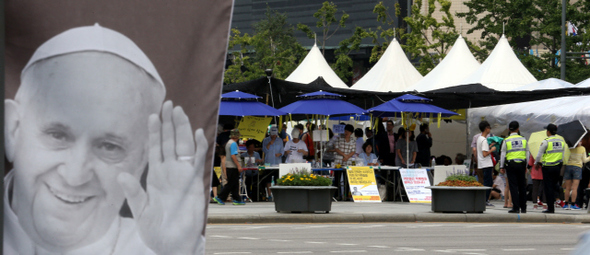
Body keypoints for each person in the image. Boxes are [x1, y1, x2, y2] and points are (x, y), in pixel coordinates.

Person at [4, 25, 208, 254]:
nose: (75, 176)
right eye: (57, 135)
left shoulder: (159, 249)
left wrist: (178, 251)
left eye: (109, 147)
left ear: (142, 160)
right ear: (13, 130)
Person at [535, 123, 565, 213]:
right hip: (557, 167)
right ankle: (556, 198)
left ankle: (550, 208)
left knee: (548, 188)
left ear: (548, 132)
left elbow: (539, 154)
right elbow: (562, 155)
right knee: (553, 185)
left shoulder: (546, 141)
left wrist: (536, 162)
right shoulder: (561, 141)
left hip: (547, 167)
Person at [500, 121, 528, 213]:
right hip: (521, 164)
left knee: (513, 186)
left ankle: (516, 207)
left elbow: (503, 154)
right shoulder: (523, 139)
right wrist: (526, 165)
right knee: (522, 186)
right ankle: (523, 207)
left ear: (509, 129)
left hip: (511, 165)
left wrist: (501, 166)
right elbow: (527, 153)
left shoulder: (506, 140)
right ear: (518, 129)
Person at [214, 129, 245, 206]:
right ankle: (220, 197)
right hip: (232, 166)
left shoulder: (228, 143)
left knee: (235, 183)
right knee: (231, 183)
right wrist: (238, 165)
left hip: (229, 166)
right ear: (236, 136)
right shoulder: (233, 144)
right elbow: (233, 155)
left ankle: (237, 199)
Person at [563, 142, 590, 209]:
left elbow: (564, 158)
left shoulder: (568, 148)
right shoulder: (582, 148)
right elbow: (584, 160)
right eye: (580, 141)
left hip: (568, 167)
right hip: (577, 168)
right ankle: (573, 204)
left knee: (567, 188)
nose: (581, 142)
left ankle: (566, 204)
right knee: (575, 188)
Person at [477, 121, 497, 207]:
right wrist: (492, 150)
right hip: (487, 164)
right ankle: (485, 200)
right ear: (486, 128)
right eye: (489, 127)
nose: (490, 129)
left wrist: (489, 147)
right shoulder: (484, 140)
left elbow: (482, 151)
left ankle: (484, 200)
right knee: (488, 183)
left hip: (481, 164)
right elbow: (485, 154)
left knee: (485, 182)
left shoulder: (479, 138)